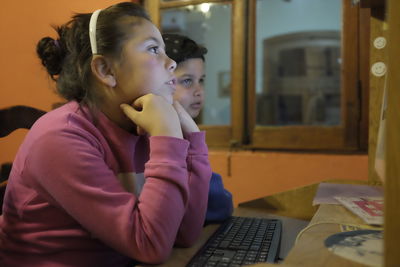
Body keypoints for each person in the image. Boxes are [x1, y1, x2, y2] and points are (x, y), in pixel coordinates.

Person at [0, 3, 212, 267]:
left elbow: (183, 233)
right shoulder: (60, 137)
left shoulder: (141, 126)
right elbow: (151, 246)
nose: (170, 63)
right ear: (105, 71)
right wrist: (167, 136)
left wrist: (191, 139)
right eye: (154, 49)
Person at [163, 33, 233, 223]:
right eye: (187, 81)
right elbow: (216, 205)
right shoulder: (161, 136)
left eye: (201, 80)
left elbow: (219, 203)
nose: (199, 90)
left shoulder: (182, 131)